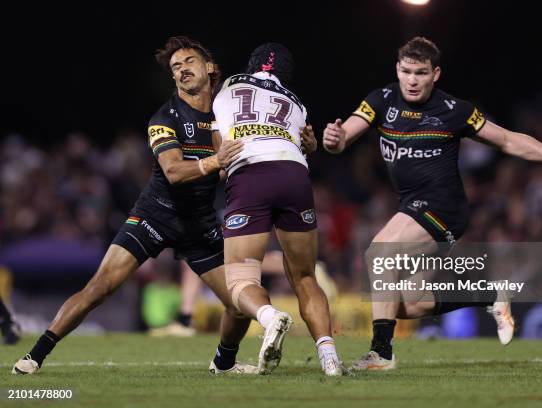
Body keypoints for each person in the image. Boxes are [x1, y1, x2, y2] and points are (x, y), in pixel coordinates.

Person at [322, 36, 542, 371]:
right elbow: (343, 138)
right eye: (407, 71)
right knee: (400, 304)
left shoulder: (454, 111)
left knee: (379, 254)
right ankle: (489, 295)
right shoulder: (380, 101)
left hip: (444, 208)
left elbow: (508, 140)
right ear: (397, 69)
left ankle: (381, 353)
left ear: (435, 74)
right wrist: (334, 140)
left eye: (421, 73)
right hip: (413, 206)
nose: (413, 80)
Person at [12, 36, 255, 375]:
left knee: (240, 305)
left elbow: (238, 163)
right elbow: (172, 171)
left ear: (210, 68)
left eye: (189, 62)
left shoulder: (225, 116)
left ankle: (224, 363)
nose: (182, 69)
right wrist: (217, 161)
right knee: (99, 289)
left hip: (198, 226)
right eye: (175, 67)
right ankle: (35, 354)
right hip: (153, 216)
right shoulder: (164, 117)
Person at [212, 43, 345, 376]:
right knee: (304, 275)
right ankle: (329, 356)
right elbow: (305, 144)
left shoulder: (229, 85)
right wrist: (311, 146)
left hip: (251, 173)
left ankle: (270, 318)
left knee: (241, 278)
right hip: (295, 175)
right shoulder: (296, 102)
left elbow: (221, 161)